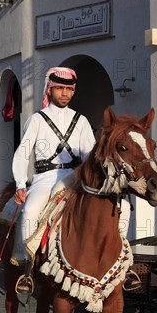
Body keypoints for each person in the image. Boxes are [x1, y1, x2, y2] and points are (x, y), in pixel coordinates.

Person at [12, 67, 96, 295]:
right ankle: (27, 266)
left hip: (75, 178)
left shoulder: (81, 121)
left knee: (118, 208)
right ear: (50, 89)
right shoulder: (36, 120)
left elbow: (90, 156)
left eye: (69, 89)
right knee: (29, 212)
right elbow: (22, 154)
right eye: (60, 88)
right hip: (45, 178)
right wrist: (21, 183)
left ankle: (117, 267)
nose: (65, 93)